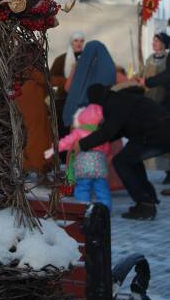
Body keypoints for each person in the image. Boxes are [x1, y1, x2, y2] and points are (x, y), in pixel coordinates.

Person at [73, 83, 170, 220]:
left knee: (121, 161)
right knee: (130, 158)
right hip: (157, 130)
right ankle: (147, 200)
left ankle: (145, 204)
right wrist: (92, 143)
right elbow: (115, 131)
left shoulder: (115, 104)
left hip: (157, 132)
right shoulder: (119, 99)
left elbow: (108, 132)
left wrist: (82, 144)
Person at [44, 103, 111, 211]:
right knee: (102, 189)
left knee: (82, 188)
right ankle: (106, 210)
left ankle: (82, 209)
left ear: (82, 117)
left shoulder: (78, 132)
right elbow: (107, 148)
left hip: (83, 165)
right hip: (99, 165)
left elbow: (66, 142)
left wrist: (54, 149)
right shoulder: (101, 133)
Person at [62, 40, 116, 129]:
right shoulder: (109, 68)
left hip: (77, 116)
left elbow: (67, 88)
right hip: (101, 117)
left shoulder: (78, 67)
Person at [141, 32, 170, 186]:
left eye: (157, 41)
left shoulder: (167, 59)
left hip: (164, 102)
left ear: (164, 44)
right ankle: (148, 167)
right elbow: (143, 76)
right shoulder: (149, 59)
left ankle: (168, 171)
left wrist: (149, 81)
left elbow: (166, 77)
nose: (154, 43)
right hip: (150, 101)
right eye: (153, 40)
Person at [50, 32, 85, 137]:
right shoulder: (61, 60)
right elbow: (50, 79)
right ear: (71, 42)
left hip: (82, 101)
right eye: (76, 40)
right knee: (65, 133)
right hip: (63, 101)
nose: (79, 43)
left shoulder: (87, 58)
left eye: (81, 41)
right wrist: (67, 81)